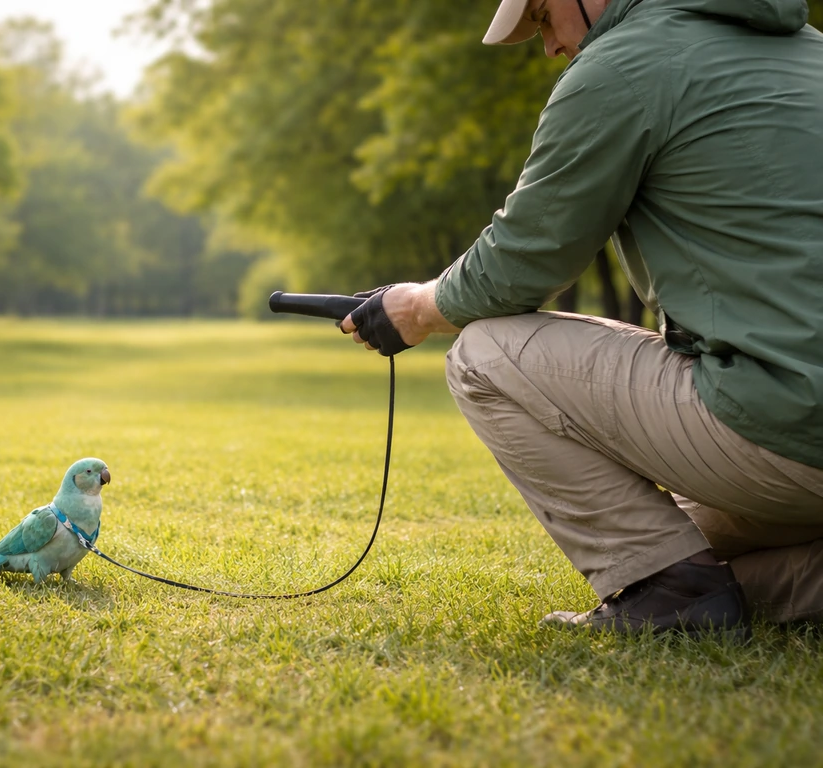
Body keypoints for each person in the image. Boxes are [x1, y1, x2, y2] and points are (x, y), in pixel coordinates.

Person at [341, 0, 823, 640]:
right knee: (689, 537)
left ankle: (677, 596)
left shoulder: (621, 66)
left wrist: (420, 307)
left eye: (542, 17)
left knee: (485, 352)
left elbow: (525, 258)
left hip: (790, 426)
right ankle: (709, 591)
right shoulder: (807, 48)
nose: (549, 47)